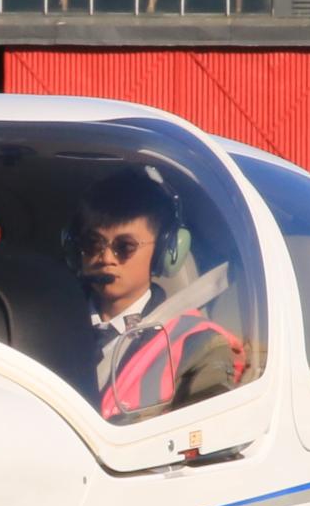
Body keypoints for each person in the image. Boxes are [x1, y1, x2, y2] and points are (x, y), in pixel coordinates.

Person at [69, 166, 247, 421]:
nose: (106, 257)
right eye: (92, 244)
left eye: (124, 246)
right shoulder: (42, 322)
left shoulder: (196, 343)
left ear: (165, 251)